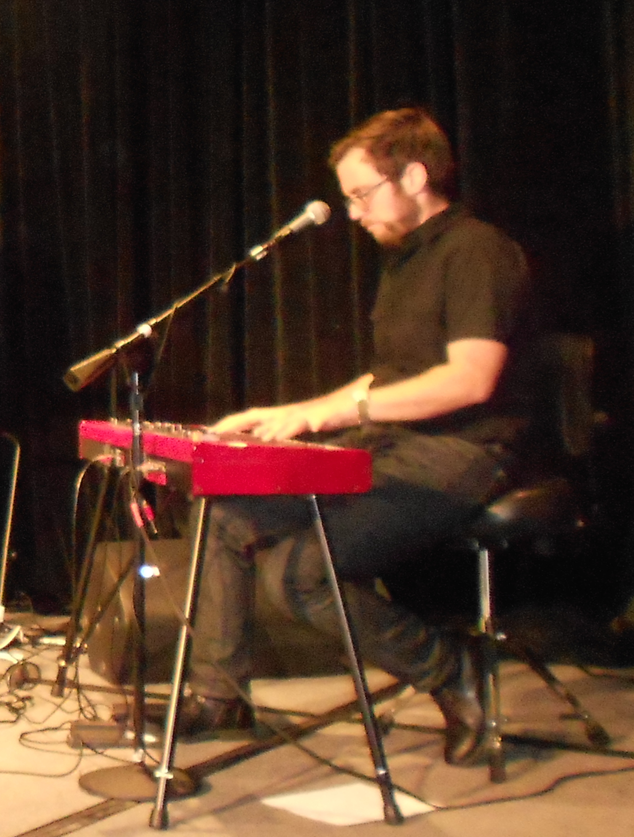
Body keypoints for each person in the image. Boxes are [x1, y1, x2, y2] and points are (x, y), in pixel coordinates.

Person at [182, 107, 534, 765]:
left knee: (301, 576)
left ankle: (449, 670)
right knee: (225, 506)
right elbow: (387, 378)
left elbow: (469, 381)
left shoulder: (477, 251)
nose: (353, 213)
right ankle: (218, 697)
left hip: (464, 451)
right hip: (395, 442)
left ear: (417, 176)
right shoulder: (405, 260)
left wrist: (322, 419)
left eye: (362, 194)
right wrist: (290, 411)